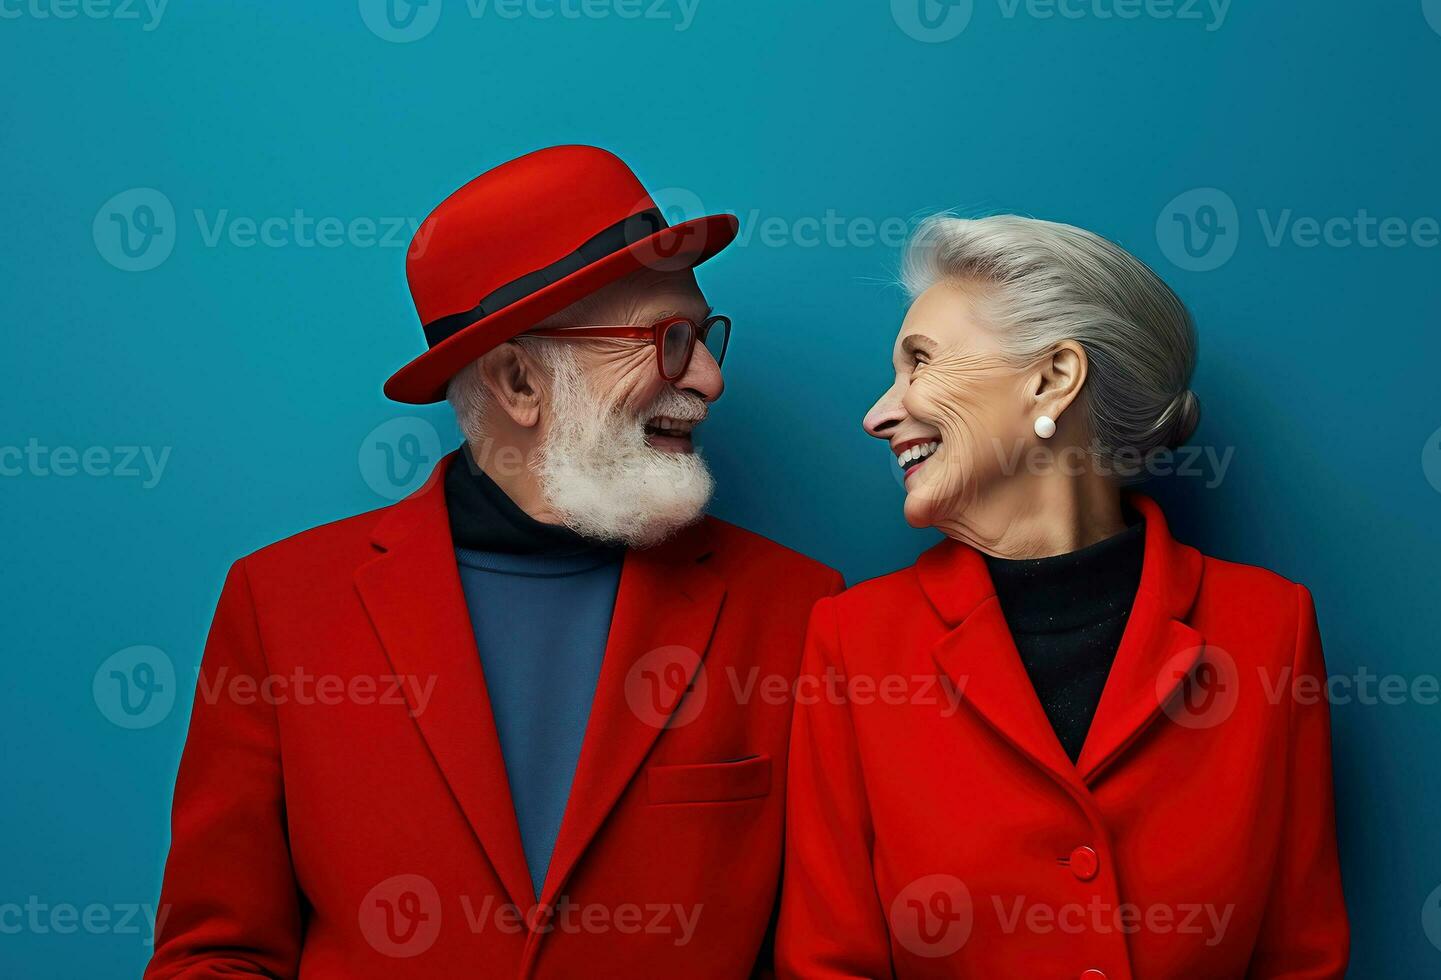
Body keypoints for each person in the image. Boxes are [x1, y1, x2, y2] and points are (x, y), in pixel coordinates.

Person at [146, 145, 843, 978]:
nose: (710, 378)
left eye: (702, 335)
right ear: (519, 382)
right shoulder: (280, 603)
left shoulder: (800, 609)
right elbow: (217, 954)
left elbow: (822, 957)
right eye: (668, 339)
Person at [777, 215, 1349, 978]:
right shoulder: (853, 641)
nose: (879, 414)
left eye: (919, 363)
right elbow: (827, 963)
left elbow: (1301, 955)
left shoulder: (1268, 628)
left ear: (1052, 378)